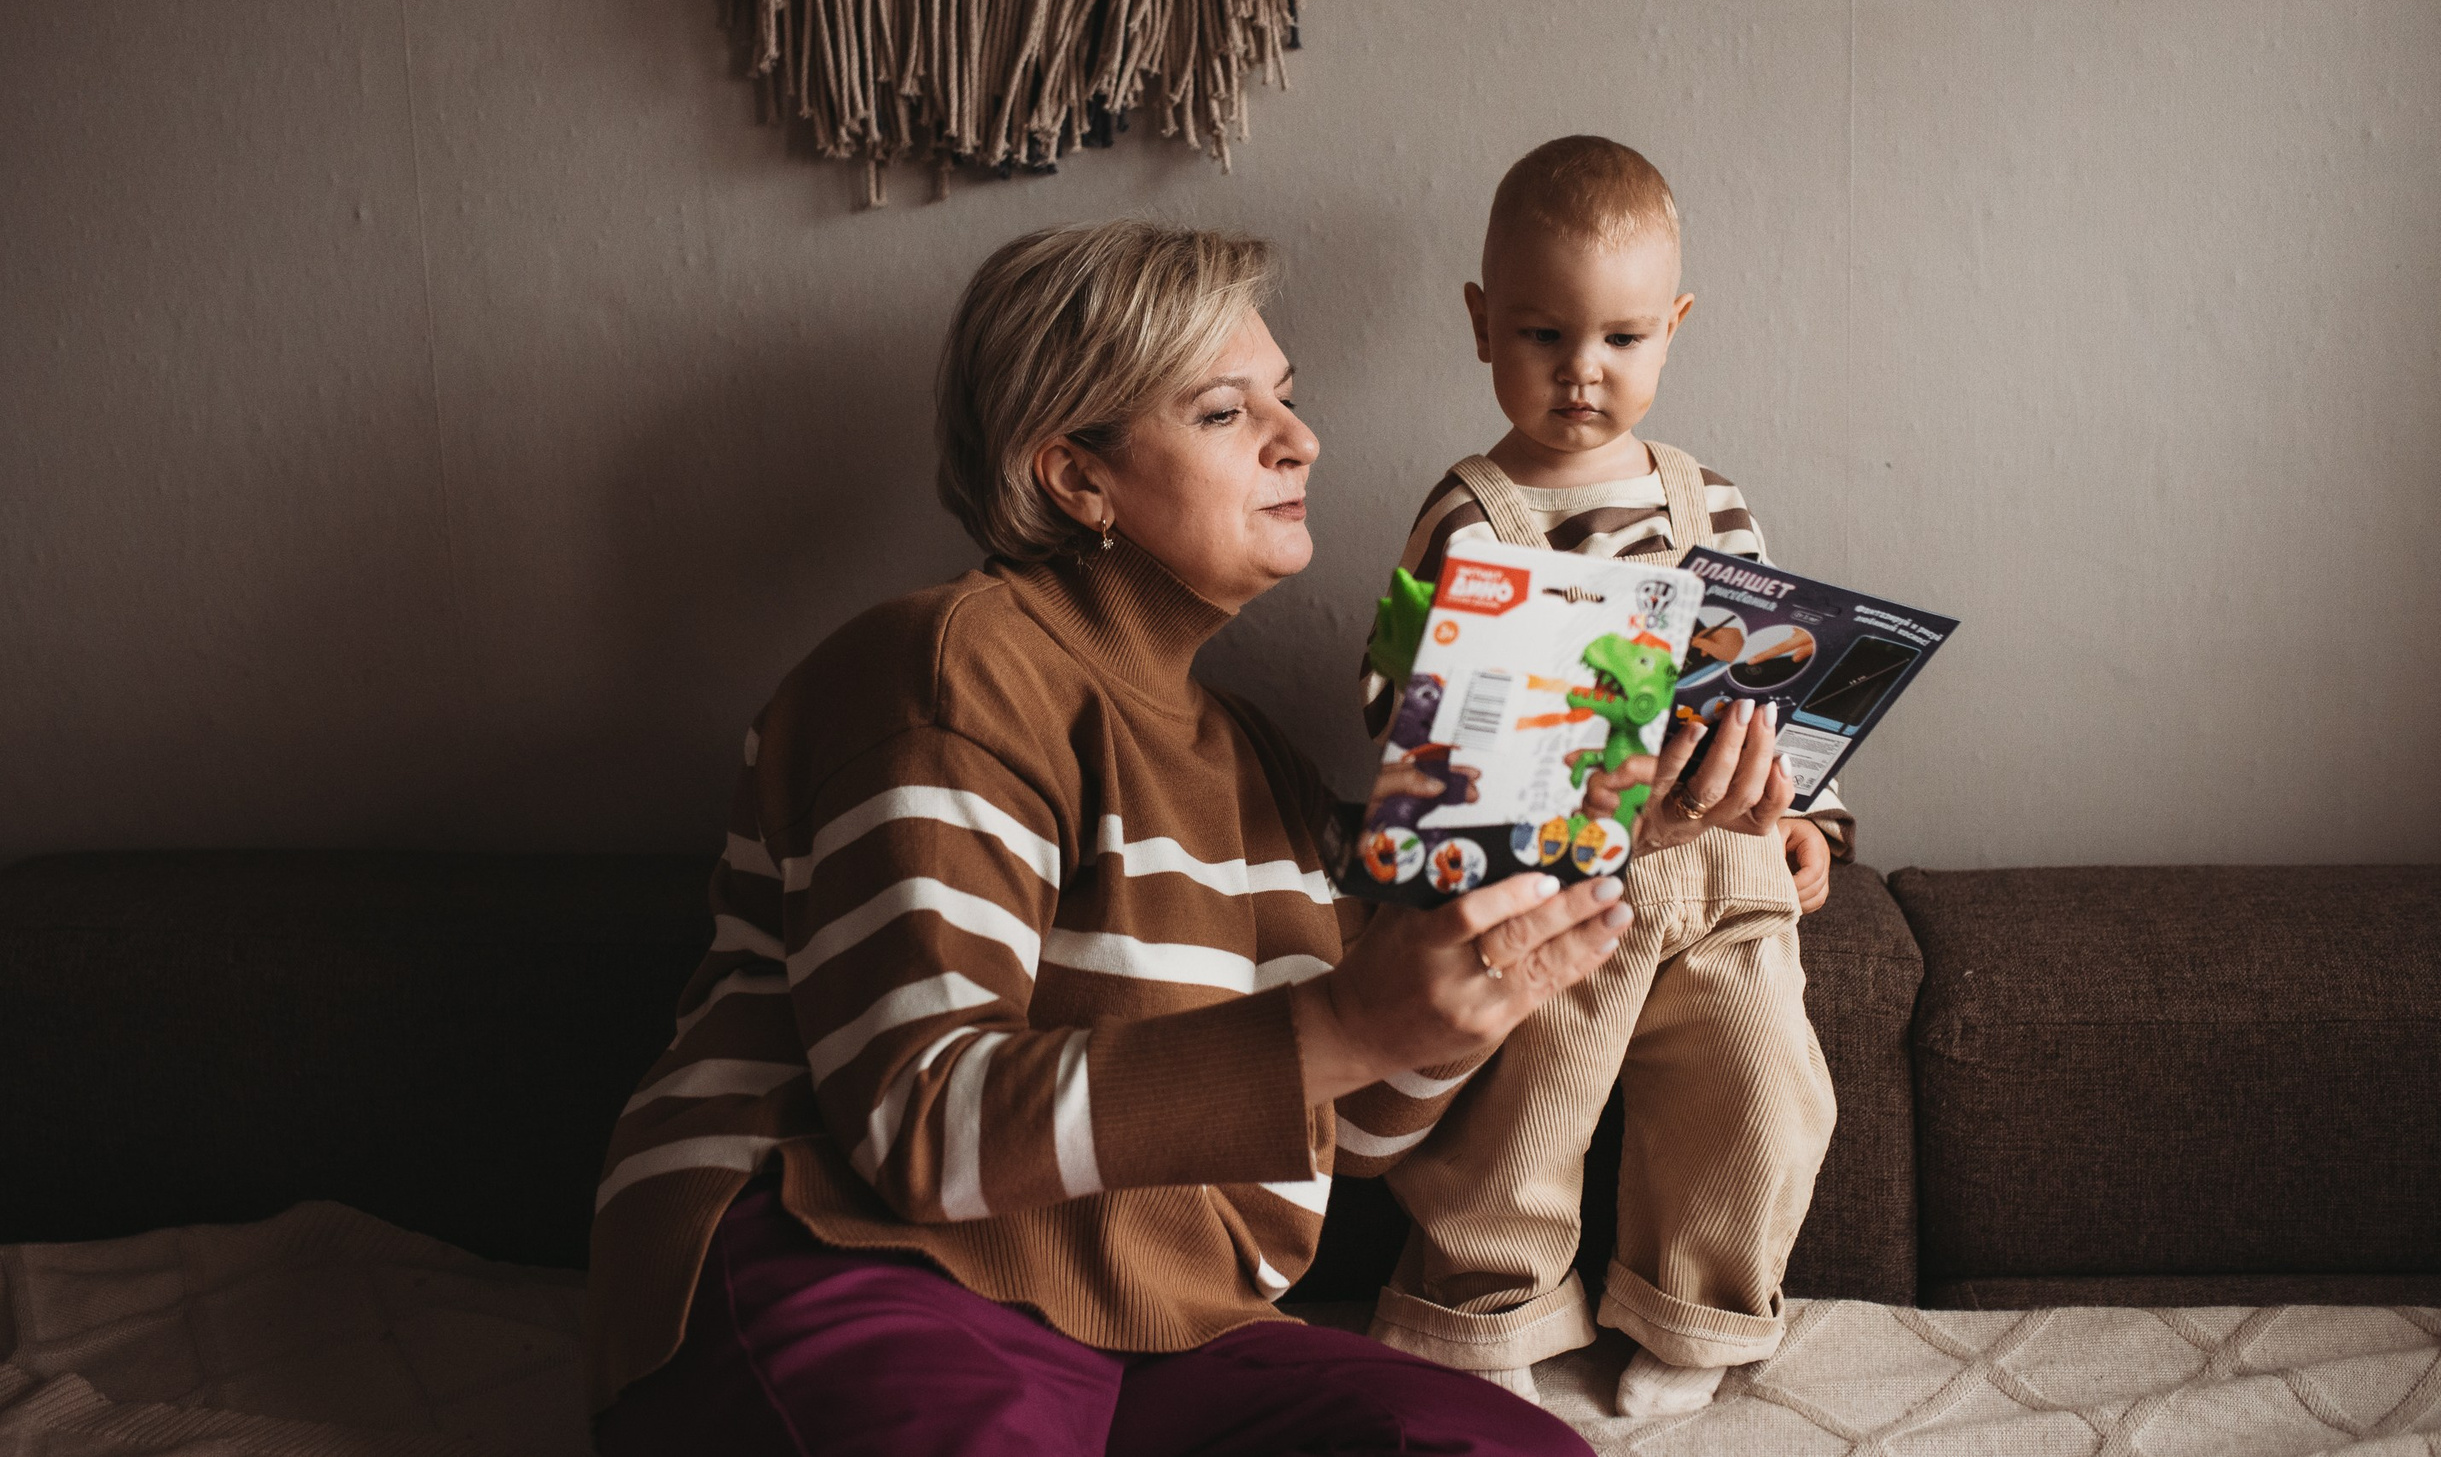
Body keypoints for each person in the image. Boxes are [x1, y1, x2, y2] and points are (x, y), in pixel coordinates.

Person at [584, 218, 1798, 1456]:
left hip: (1172, 1323)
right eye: (1225, 413)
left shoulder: (1260, 760)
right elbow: (920, 1121)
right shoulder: (950, 668)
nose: (1301, 439)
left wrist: (1595, 838)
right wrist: (1342, 1023)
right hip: (851, 1255)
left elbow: (1365, 1126)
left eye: (1286, 397)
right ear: (1076, 475)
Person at [1353, 138, 1848, 1416]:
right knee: (1527, 1100)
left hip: (1726, 869)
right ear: (1480, 324)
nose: (1583, 371)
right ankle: (1481, 1310)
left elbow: (1769, 702)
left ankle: (1702, 1311)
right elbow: (1400, 706)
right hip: (1564, 875)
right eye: (1542, 333)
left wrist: (1814, 824)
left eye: (1622, 338)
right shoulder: (1468, 510)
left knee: (1758, 1086)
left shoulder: (1711, 499)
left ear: (1673, 328)